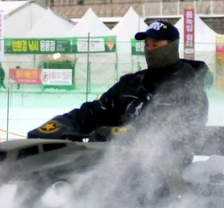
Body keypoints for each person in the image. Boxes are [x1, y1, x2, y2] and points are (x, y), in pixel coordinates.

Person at [28, 20, 209, 162]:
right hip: (110, 162)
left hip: (162, 172)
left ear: (171, 46)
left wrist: (111, 133)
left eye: (156, 45)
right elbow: (97, 110)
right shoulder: (132, 83)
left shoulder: (188, 87)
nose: (150, 49)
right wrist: (62, 124)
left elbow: (171, 134)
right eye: (147, 45)